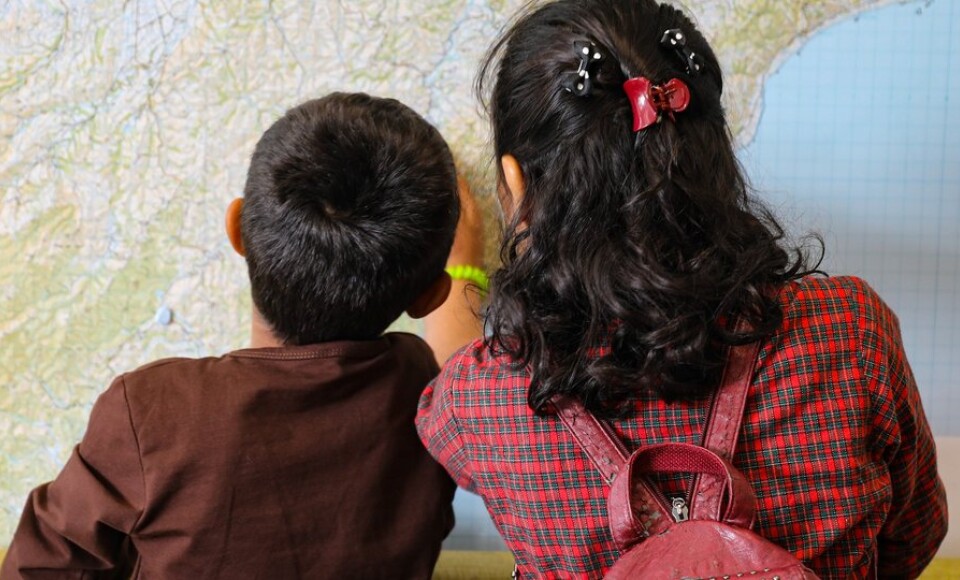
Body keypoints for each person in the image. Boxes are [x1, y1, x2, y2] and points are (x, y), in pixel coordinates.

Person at [416, 0, 948, 578]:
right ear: (714, 152)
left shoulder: (483, 397)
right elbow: (914, 538)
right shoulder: (851, 331)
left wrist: (463, 268)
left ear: (515, 182)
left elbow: (450, 409)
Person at [1, 92, 485, 579]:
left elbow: (39, 567)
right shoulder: (426, 392)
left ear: (236, 229)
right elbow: (460, 365)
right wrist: (465, 269)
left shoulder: (151, 413)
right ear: (429, 297)